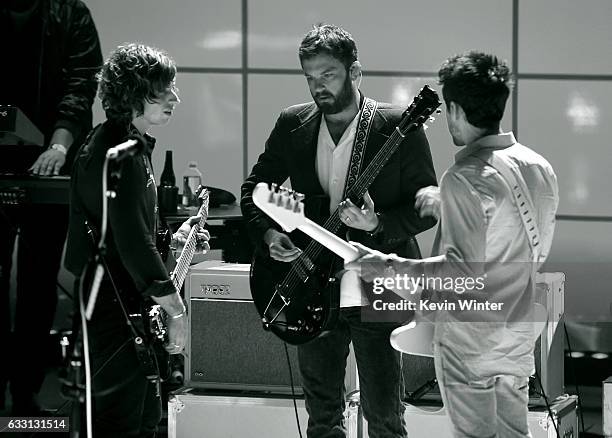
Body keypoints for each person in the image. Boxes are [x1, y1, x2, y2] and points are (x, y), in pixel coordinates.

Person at [347, 51, 559, 437]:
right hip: (515, 339)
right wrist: (451, 207)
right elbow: (525, 249)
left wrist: (383, 266)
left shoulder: (464, 177)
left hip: (469, 346)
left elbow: (459, 276)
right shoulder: (538, 167)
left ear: (457, 109)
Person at [241, 24, 437, 438]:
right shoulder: (292, 123)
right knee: (322, 415)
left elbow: (426, 210)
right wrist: (269, 234)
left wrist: (377, 223)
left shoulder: (398, 126)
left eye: (327, 75)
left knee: (384, 414)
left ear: (355, 73)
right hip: (311, 278)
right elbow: (253, 190)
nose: (318, 87)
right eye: (310, 78)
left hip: (376, 280)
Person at [64, 43, 210, 437]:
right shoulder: (119, 154)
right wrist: (177, 312)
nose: (175, 99)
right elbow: (130, 245)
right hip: (116, 314)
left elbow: (130, 231)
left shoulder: (124, 146)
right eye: (165, 91)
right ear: (135, 93)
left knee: (144, 420)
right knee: (123, 424)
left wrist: (174, 239)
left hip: (120, 310)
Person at [0, 0, 102, 414]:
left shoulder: (70, 12)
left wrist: (60, 143)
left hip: (51, 160)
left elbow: (82, 83)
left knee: (38, 284)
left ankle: (25, 399)